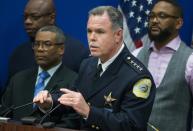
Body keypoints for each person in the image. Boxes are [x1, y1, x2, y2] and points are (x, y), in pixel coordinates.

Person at [33, 6, 156, 131]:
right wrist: (50, 101)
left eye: (100, 32)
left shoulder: (137, 76)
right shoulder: (88, 64)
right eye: (89, 31)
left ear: (118, 35)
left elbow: (132, 125)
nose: (92, 38)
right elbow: (74, 99)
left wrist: (89, 112)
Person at [132, 0, 193, 131]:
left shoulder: (190, 60)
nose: (154, 20)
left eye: (162, 16)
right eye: (151, 16)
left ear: (178, 23)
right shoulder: (135, 55)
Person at [0, 26, 77, 120]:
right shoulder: (18, 79)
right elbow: (3, 116)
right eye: (36, 44)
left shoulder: (74, 81)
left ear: (61, 49)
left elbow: (71, 122)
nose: (40, 49)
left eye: (47, 44)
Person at [7, 0, 89, 80]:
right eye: (25, 17)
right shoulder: (18, 55)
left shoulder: (77, 52)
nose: (27, 21)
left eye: (35, 17)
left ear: (52, 18)